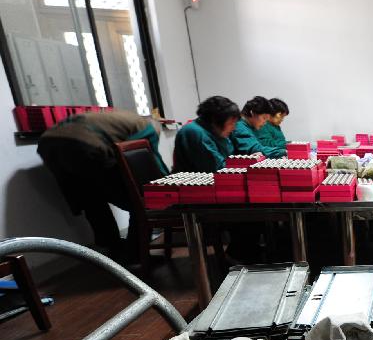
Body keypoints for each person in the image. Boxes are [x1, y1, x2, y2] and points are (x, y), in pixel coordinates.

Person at [37, 109, 167, 261]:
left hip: (47, 143)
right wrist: (165, 183)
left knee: (91, 200)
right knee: (138, 202)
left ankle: (114, 250)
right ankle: (136, 254)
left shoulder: (121, 119)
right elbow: (149, 158)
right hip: (83, 143)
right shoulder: (150, 127)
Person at [173, 96, 240, 172]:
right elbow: (218, 169)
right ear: (215, 120)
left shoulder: (216, 131)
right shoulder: (194, 132)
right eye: (231, 123)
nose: (233, 128)